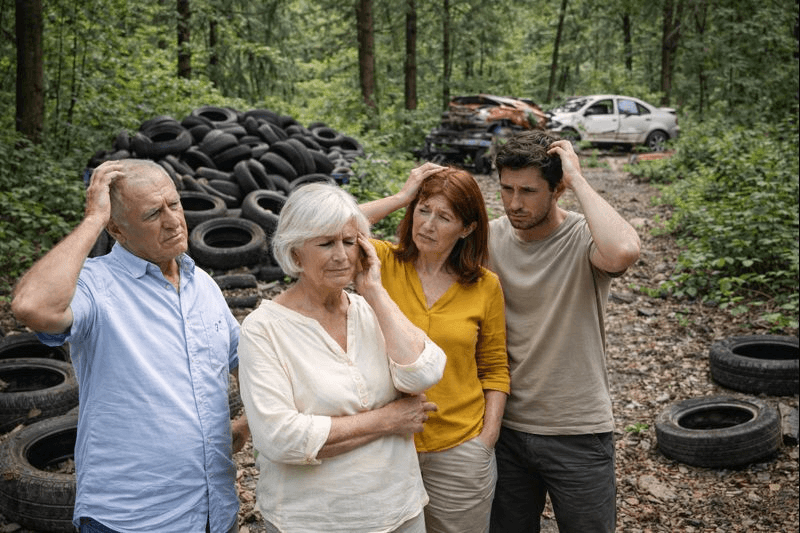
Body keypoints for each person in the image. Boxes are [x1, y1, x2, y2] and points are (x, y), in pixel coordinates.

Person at [11, 159, 249, 533]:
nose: (172, 221)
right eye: (153, 213)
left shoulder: (201, 283)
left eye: (175, 204)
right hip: (131, 520)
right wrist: (92, 220)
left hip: (214, 513)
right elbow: (31, 306)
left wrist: (247, 424)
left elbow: (249, 366)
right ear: (117, 229)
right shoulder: (96, 284)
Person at [237, 183, 446, 533]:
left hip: (399, 511)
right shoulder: (264, 328)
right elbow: (280, 438)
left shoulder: (370, 310)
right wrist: (387, 421)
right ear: (295, 253)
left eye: (350, 242)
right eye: (325, 243)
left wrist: (376, 293)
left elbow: (423, 375)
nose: (342, 256)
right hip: (312, 521)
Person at [487, 130, 641, 533]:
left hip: (577, 429)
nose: (515, 203)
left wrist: (578, 177)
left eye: (529, 191)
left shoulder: (582, 237)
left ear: (558, 190)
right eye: (506, 189)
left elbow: (624, 250)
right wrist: (403, 199)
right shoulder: (488, 238)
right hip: (504, 427)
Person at [361, 164, 509, 533]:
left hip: (459, 448)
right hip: (385, 442)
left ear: (468, 228)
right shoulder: (381, 263)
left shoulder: (484, 286)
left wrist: (484, 441)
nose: (427, 224)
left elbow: (494, 368)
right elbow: (329, 228)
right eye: (422, 210)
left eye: (444, 217)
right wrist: (401, 196)